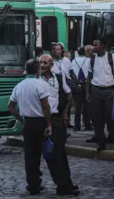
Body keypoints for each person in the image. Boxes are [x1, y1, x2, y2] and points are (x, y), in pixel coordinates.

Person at [8, 59, 52, 195]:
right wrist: (49, 123)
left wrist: (21, 119)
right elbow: (45, 106)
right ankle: (38, 181)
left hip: (27, 123)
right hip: (39, 122)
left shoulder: (19, 86)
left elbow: (10, 106)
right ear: (38, 70)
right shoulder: (40, 85)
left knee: (29, 154)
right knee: (39, 153)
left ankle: (32, 183)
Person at [39, 55, 80, 196]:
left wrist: (65, 112)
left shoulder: (58, 77)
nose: (43, 65)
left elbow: (69, 95)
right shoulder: (36, 80)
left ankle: (66, 182)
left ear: (51, 65)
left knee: (61, 152)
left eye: (45, 62)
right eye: (41, 62)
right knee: (52, 154)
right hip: (44, 120)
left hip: (57, 118)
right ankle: (62, 185)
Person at [86, 38, 114, 151]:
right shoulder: (92, 59)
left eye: (96, 45)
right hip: (95, 90)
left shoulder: (111, 57)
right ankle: (100, 142)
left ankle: (111, 137)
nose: (93, 47)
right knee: (97, 117)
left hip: (109, 90)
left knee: (109, 116)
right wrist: (88, 91)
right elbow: (89, 76)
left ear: (102, 45)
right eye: (93, 45)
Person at [71, 47, 92, 131]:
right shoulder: (89, 60)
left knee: (77, 106)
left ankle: (77, 125)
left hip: (77, 84)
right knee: (87, 106)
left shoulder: (73, 61)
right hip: (86, 84)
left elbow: (72, 72)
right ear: (85, 52)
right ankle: (87, 124)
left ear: (78, 52)